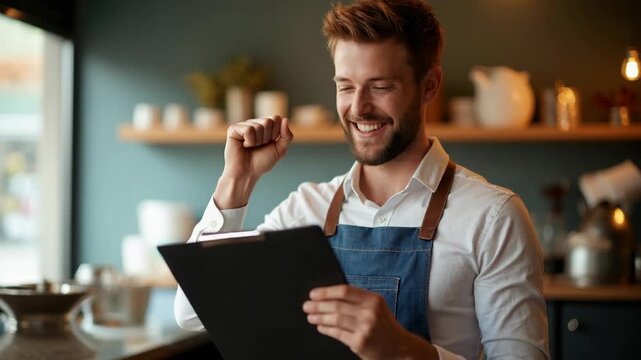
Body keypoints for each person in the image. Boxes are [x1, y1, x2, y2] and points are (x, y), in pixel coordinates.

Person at [174, 0, 549, 358]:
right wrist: (235, 182)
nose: (357, 108)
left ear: (430, 85)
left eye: (381, 86)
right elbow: (191, 314)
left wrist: (400, 350)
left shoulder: (493, 216)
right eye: (346, 86)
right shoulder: (306, 209)